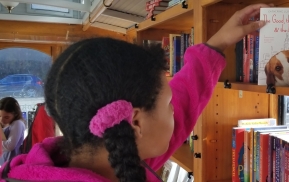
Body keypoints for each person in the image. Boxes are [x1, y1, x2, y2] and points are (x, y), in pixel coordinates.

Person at [0, 3, 271, 182]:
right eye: (169, 106)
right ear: (136, 122)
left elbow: (184, 97)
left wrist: (216, 44)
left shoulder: (114, 155)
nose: (176, 109)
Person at [0, 97, 25, 166]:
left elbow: (10, 146)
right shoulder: (4, 124)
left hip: (13, 163)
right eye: (0, 116)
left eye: (6, 117)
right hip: (4, 162)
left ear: (15, 114)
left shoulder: (17, 123)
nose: (2, 120)